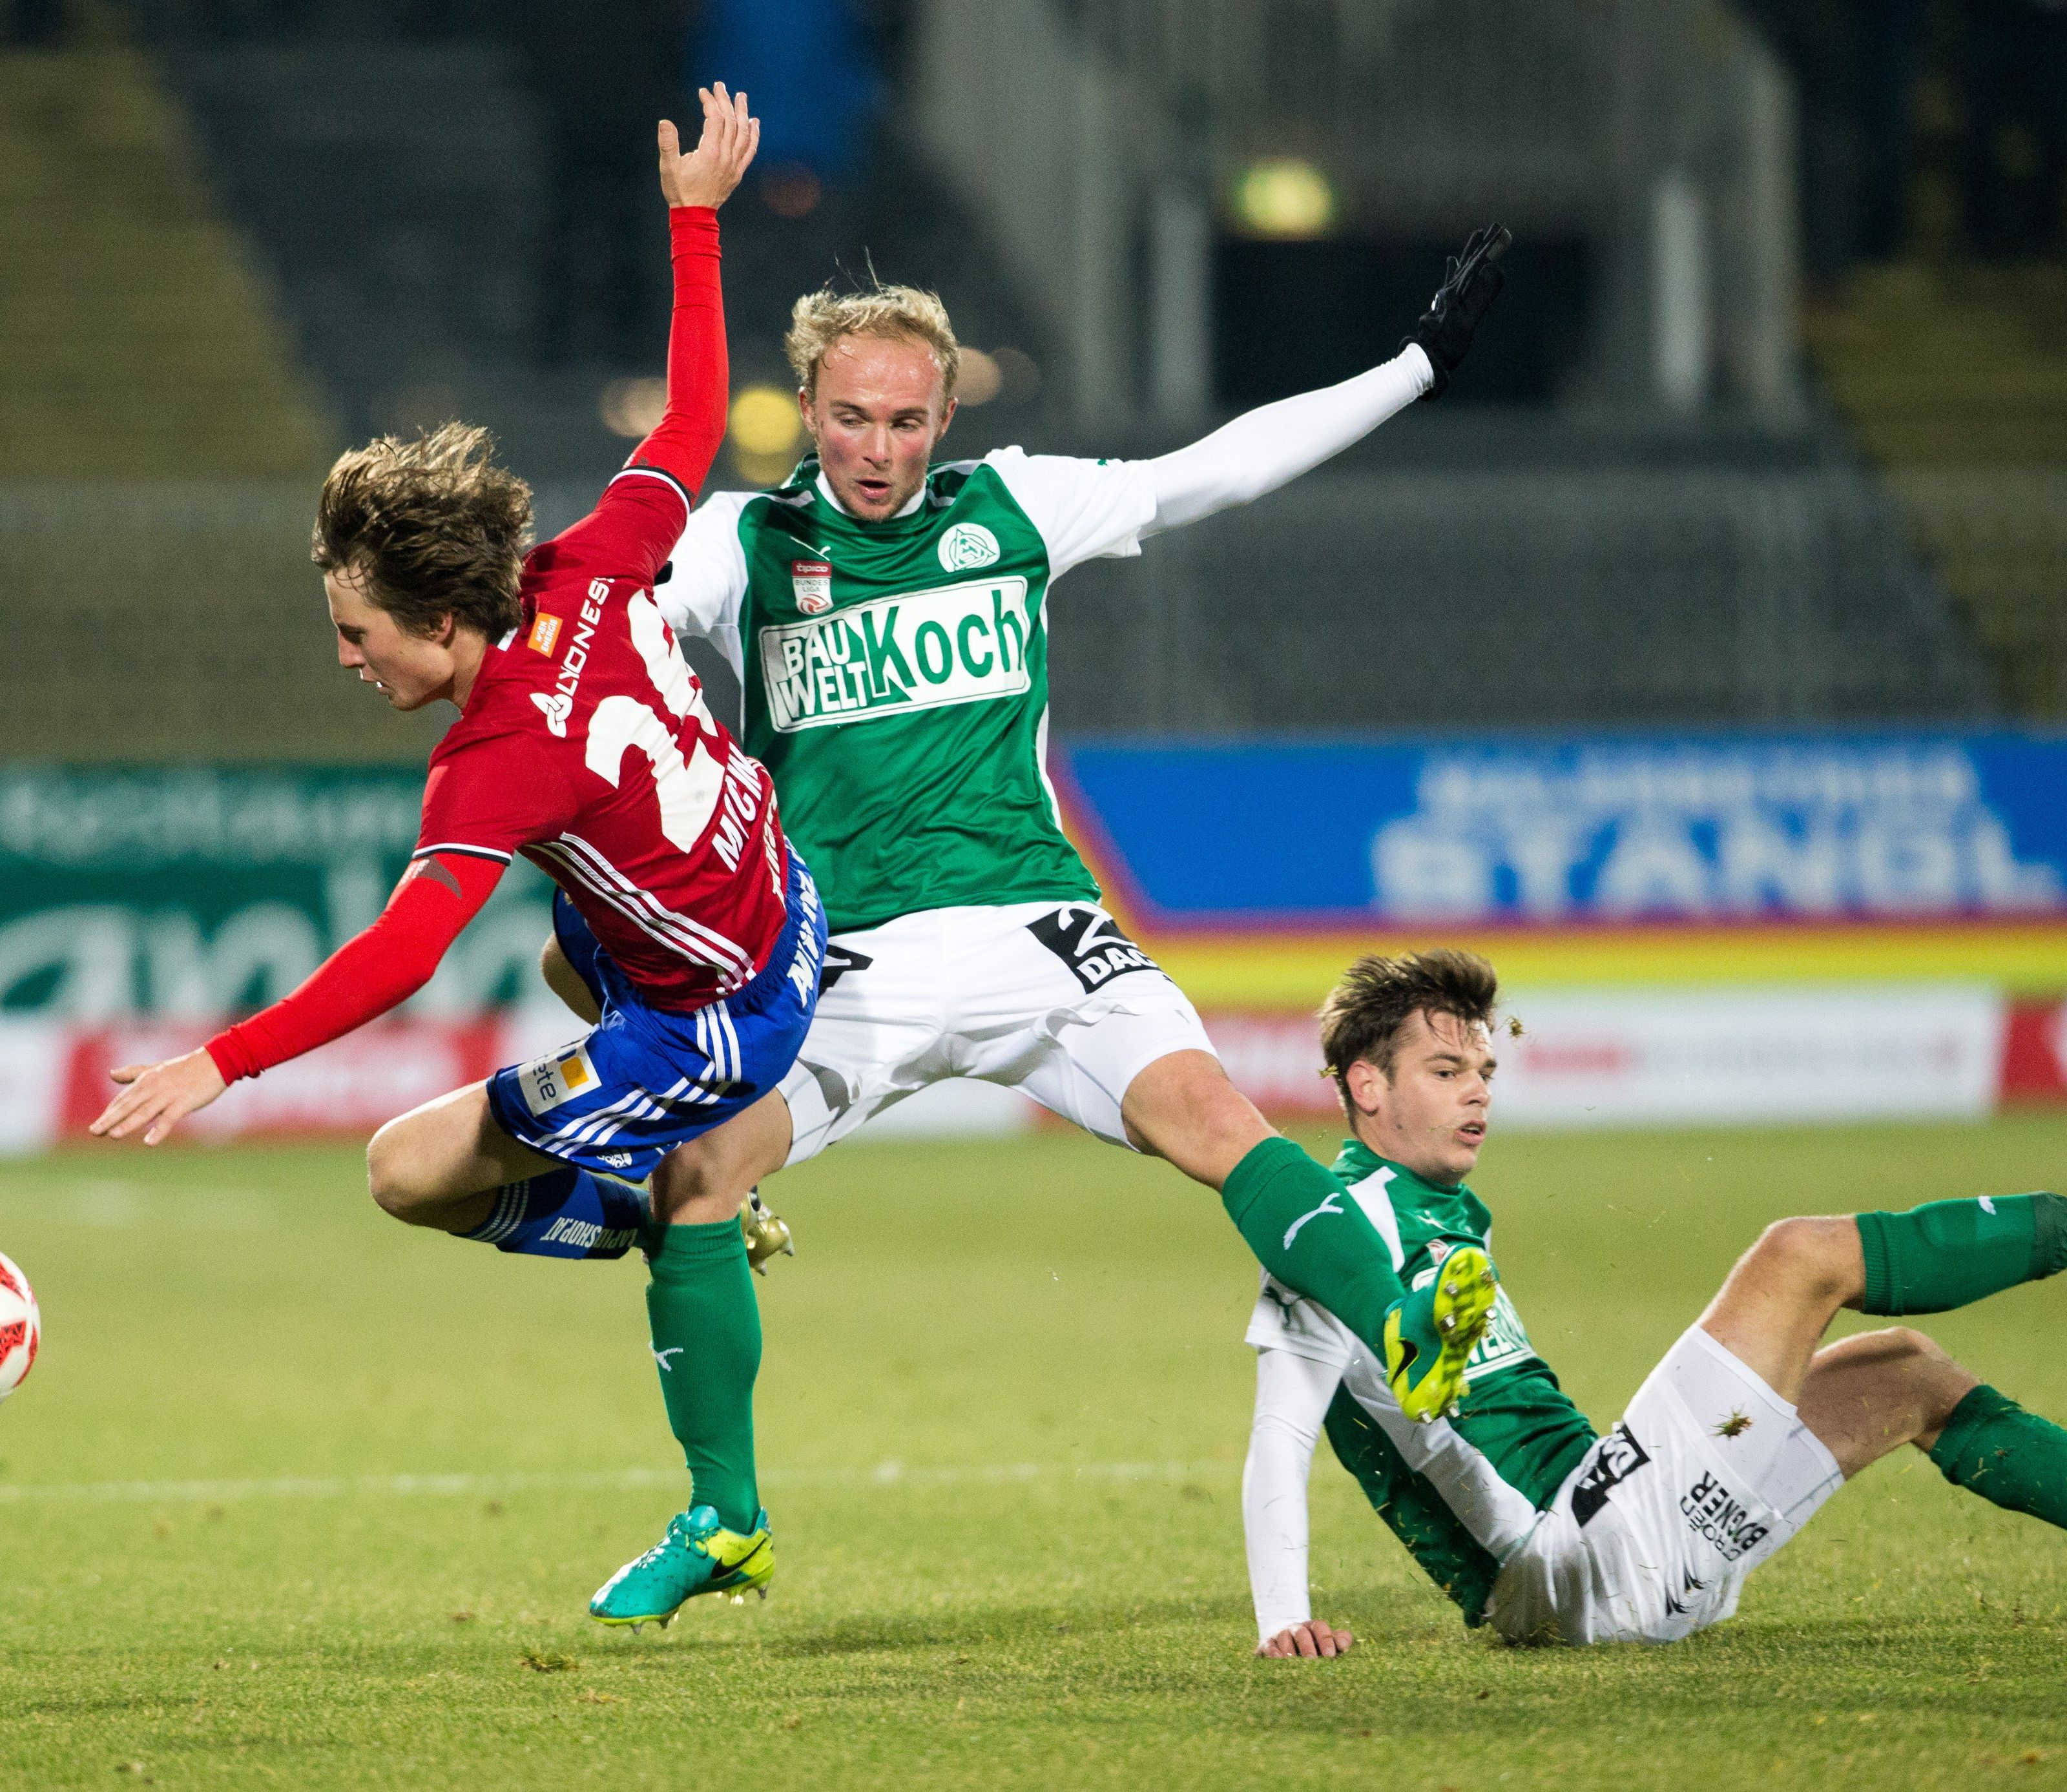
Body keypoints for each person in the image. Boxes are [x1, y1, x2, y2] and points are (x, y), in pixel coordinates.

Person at [574, 228, 1518, 1625]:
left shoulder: (1014, 507)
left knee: (1217, 1121)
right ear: (807, 408)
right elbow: (607, 621)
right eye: (851, 417)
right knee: (694, 1179)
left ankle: (1401, 1325)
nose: (878, 449)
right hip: (854, 961)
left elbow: (1218, 469)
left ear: (948, 417)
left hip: (1041, 930)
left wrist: (1416, 367)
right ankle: (725, 1520)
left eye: (907, 421)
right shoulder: (741, 543)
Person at [90, 88, 824, 1613]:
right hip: (774, 896)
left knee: (408, 1170)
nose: (345, 656)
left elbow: (406, 953)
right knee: (568, 945)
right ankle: (682, 1185)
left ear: (439, 619)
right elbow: (690, 423)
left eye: (357, 632)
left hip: (724, 1006)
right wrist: (694, 221)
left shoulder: (496, 756)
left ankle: (714, 1453)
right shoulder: (589, 560)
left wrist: (221, 1060)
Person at [1240, 949, 2067, 1655]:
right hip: (1569, 1562)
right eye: (1445, 1072)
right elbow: (1282, 1430)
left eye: (1484, 1072)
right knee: (1797, 1257)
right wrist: (1283, 1618)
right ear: (1367, 1085)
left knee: (1905, 1376)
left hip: (1619, 1535)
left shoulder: (1447, 1214)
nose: (1477, 1093)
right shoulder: (1332, 1231)